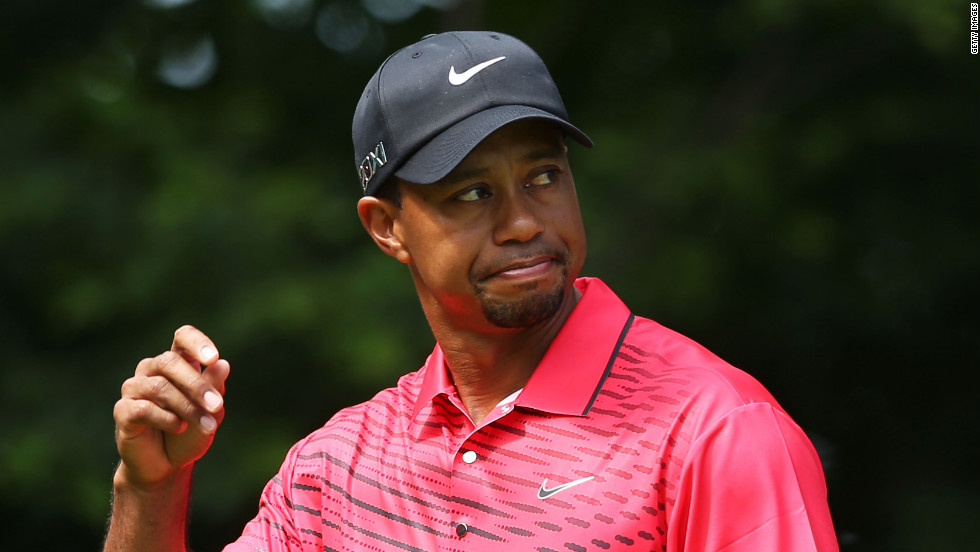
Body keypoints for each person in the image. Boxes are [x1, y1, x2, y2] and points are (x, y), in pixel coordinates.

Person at [103, 31, 839, 552]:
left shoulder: (715, 430)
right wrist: (150, 490)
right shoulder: (335, 471)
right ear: (387, 227)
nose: (523, 222)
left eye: (543, 177)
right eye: (471, 193)